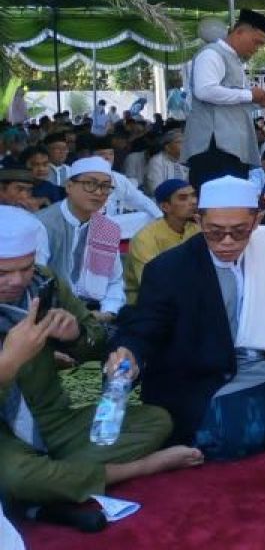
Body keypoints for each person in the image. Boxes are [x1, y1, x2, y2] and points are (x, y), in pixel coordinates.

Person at [109, 176, 265, 459]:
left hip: (259, 366)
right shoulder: (169, 269)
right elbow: (144, 327)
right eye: (215, 232)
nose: (227, 242)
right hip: (203, 376)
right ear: (199, 222)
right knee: (227, 431)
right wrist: (130, 352)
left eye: (238, 232)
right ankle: (262, 420)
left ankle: (258, 421)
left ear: (256, 222)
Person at [0, 206, 199, 521]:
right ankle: (134, 469)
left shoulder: (43, 283)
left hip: (55, 419)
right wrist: (8, 364)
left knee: (156, 420)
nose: (16, 281)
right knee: (17, 476)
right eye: (2, 272)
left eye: (24, 268)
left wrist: (75, 335)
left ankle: (52, 481)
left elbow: (99, 341)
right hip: (4, 435)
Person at [182, 9, 265, 168]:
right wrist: (249, 95)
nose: (257, 48)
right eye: (257, 42)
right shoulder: (212, 54)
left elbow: (233, 101)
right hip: (213, 147)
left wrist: (259, 101)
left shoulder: (234, 60)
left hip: (231, 147)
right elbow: (205, 91)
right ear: (240, 32)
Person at [34, 158, 125, 322]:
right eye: (90, 183)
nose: (98, 192)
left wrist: (109, 311)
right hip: (52, 313)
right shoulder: (43, 224)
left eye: (105, 186)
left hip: (97, 313)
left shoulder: (107, 228)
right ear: (69, 186)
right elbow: (36, 282)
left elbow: (115, 281)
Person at [124, 180, 199, 306]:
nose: (193, 201)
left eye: (193, 195)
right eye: (183, 198)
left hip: (189, 300)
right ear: (165, 207)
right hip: (148, 306)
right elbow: (152, 284)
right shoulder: (145, 238)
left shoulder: (197, 230)